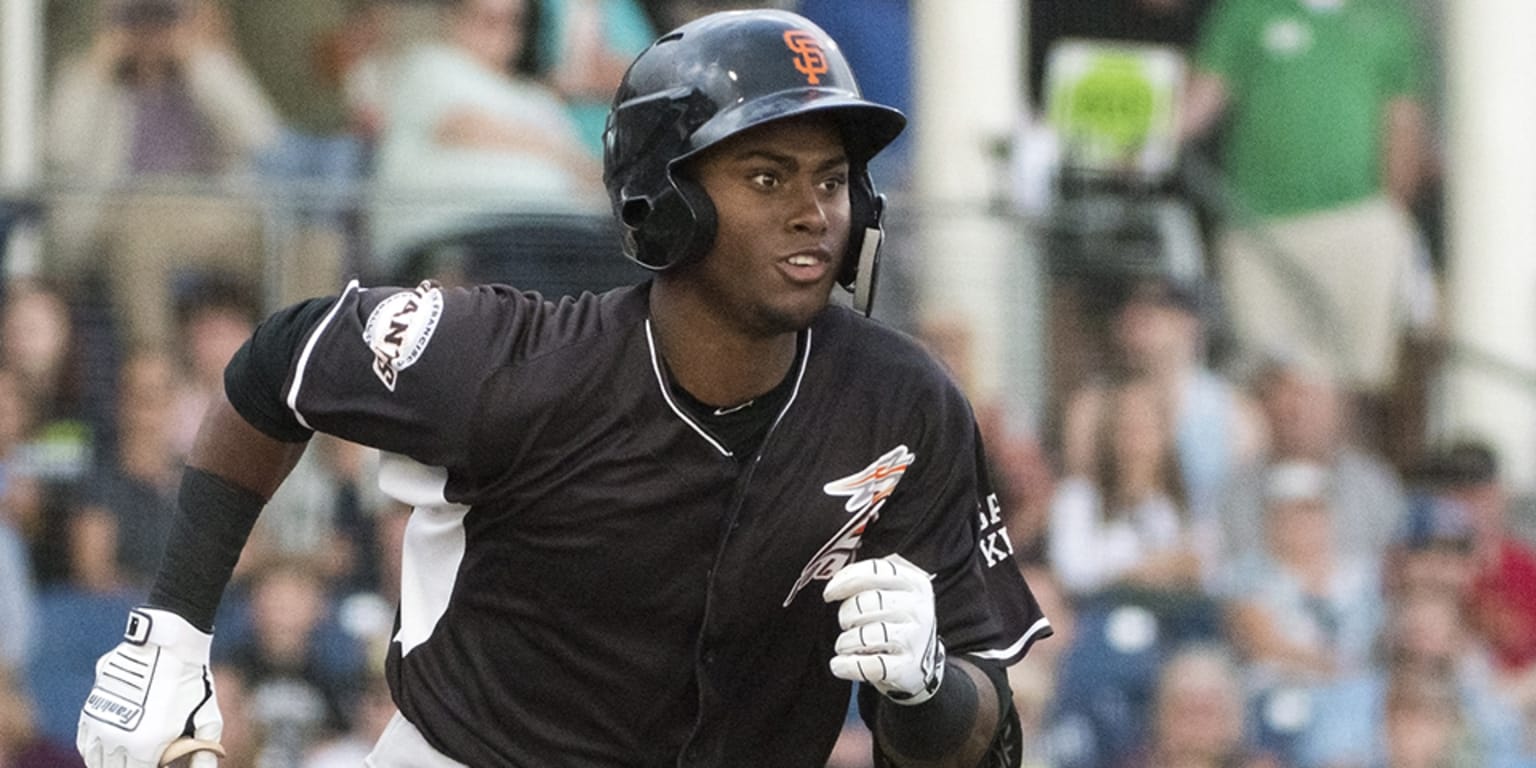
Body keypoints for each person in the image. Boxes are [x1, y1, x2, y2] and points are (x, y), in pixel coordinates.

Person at [75, 10, 1050, 768]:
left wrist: (932, 690)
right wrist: (168, 635)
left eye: (832, 181)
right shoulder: (517, 359)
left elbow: (984, 741)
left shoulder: (907, 404)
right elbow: (279, 363)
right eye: (765, 177)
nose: (813, 212)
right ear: (660, 199)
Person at [1180, 0, 1436, 395]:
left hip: (1357, 224)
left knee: (1357, 383)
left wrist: (1391, 220)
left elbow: (1403, 120)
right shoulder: (1245, 11)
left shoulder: (1387, 17)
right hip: (1259, 227)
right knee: (1265, 379)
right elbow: (1199, 101)